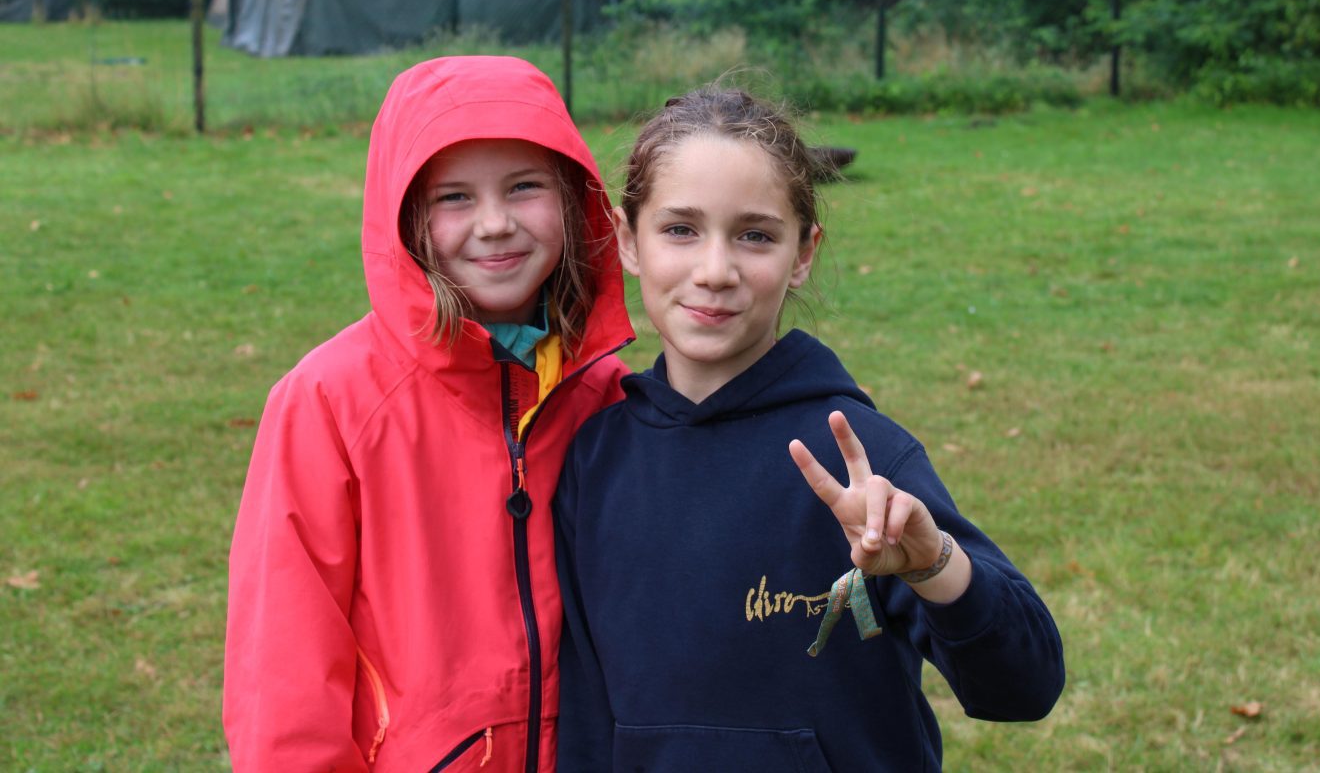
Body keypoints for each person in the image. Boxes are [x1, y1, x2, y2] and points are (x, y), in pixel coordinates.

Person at [554, 85, 1065, 772]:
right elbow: (585, 720)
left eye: (755, 236)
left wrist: (934, 564)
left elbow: (1025, 687)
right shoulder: (595, 460)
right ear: (627, 240)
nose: (715, 271)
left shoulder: (862, 461)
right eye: (680, 229)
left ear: (803, 253)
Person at [224, 56, 634, 772]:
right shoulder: (329, 402)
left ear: (574, 199)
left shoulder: (609, 396)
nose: (495, 224)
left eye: (524, 186)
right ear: (406, 217)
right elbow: (283, 670)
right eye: (454, 197)